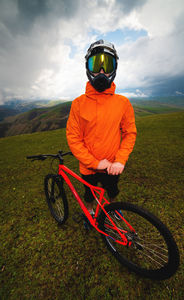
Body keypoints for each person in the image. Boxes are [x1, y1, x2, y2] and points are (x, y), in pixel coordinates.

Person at [66, 40, 137, 226]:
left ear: (115, 68)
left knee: (112, 191)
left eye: (108, 64)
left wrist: (120, 160)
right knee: (89, 193)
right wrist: (96, 163)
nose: (102, 72)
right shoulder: (78, 104)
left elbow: (130, 133)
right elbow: (73, 139)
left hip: (113, 165)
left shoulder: (123, 103)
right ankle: (90, 214)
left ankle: (114, 211)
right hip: (88, 166)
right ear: (87, 67)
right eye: (96, 65)